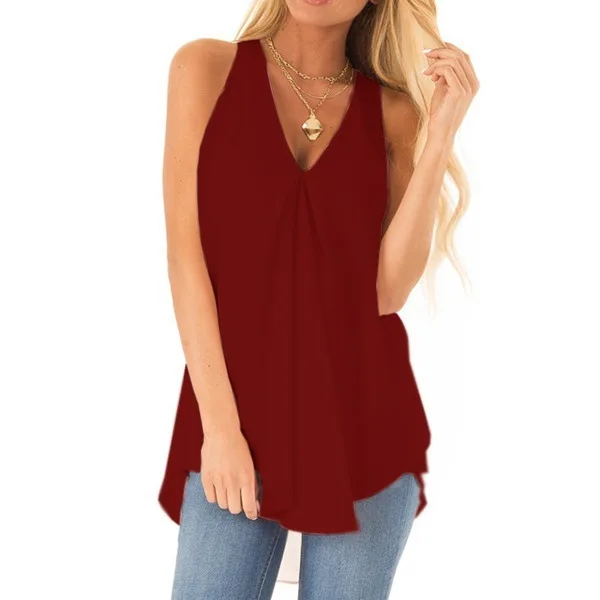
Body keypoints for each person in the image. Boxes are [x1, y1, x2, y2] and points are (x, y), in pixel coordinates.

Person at [158, 0, 478, 598]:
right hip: (236, 419)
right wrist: (220, 428)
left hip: (364, 426)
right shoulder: (204, 69)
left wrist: (439, 137)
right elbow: (186, 258)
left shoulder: (394, 112)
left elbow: (387, 291)